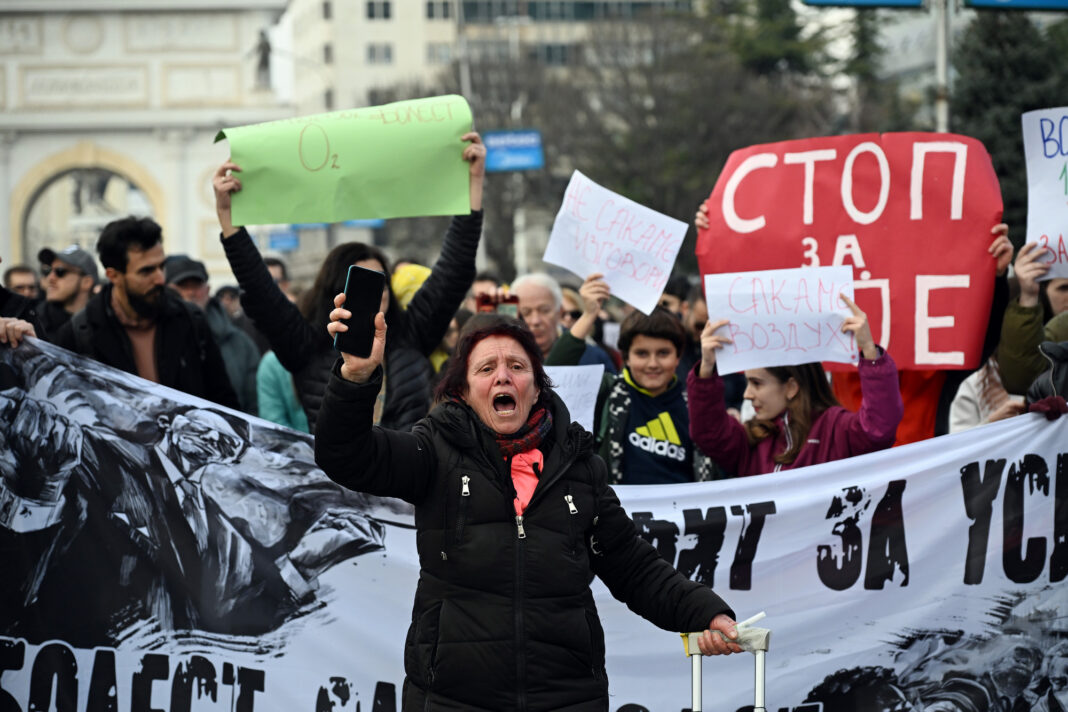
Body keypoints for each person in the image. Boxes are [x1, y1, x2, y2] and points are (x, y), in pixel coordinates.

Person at [315, 309, 742, 711]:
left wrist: (706, 612)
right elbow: (345, 455)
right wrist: (355, 376)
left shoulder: (581, 467)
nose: (503, 376)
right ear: (463, 391)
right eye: (486, 369)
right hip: (452, 698)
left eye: (517, 367)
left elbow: (635, 568)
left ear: (537, 387)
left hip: (568, 697)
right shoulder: (433, 451)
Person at [212, 132, 486, 432]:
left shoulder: (411, 334)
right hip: (336, 478)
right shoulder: (308, 347)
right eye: (361, 283)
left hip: (410, 474)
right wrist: (227, 218)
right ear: (335, 292)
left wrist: (473, 184)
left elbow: (455, 268)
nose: (375, 293)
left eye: (381, 283)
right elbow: (262, 292)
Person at [687, 295, 903, 476]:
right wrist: (706, 369)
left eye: (756, 383)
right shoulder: (750, 438)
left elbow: (879, 428)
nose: (747, 395)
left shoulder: (837, 429)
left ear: (791, 387)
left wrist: (869, 351)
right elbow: (709, 434)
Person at [53, 216, 240, 410]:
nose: (160, 279)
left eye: (161, 266)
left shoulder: (190, 320)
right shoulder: (79, 334)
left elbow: (224, 404)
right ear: (113, 275)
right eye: (146, 271)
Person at [166, 255, 261, 414]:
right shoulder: (154, 338)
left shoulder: (240, 343)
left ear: (208, 290)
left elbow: (254, 404)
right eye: (182, 286)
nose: (191, 293)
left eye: (196, 286)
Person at [512, 271, 617, 373]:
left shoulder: (593, 358)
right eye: (526, 312)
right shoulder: (505, 358)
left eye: (544, 310)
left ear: (560, 312)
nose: (535, 321)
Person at [999, 242, 1068, 395]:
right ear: (1044, 292)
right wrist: (1028, 296)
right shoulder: (1057, 331)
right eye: (1064, 288)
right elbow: (1023, 379)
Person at [37, 245, 98, 341]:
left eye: (60, 271)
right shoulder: (36, 322)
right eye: (47, 271)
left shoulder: (106, 322)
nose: (50, 278)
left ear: (86, 282)